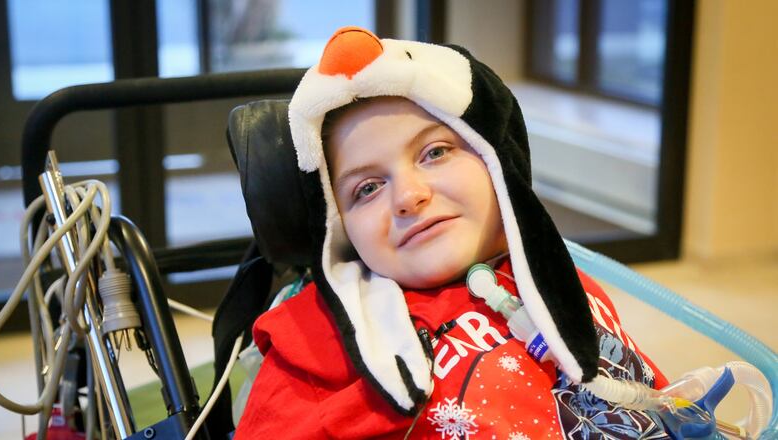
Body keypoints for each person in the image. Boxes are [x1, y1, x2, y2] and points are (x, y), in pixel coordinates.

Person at [234, 26, 670, 439]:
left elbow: (654, 402)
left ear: (495, 158)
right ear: (339, 225)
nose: (408, 195)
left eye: (435, 152)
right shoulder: (317, 340)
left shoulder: (557, 280)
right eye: (367, 188)